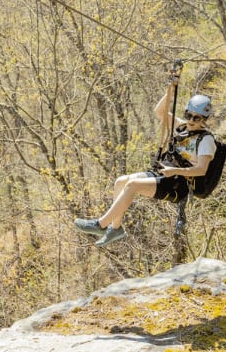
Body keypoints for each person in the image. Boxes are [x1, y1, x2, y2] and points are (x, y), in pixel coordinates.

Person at [74, 75, 217, 247]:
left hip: (179, 184)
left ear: (204, 120)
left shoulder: (206, 140)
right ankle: (115, 229)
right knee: (121, 181)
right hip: (165, 173)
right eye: (189, 115)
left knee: (132, 185)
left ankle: (101, 224)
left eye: (197, 118)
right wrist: (170, 89)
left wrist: (175, 171)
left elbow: (201, 170)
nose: (191, 120)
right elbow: (159, 111)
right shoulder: (180, 127)